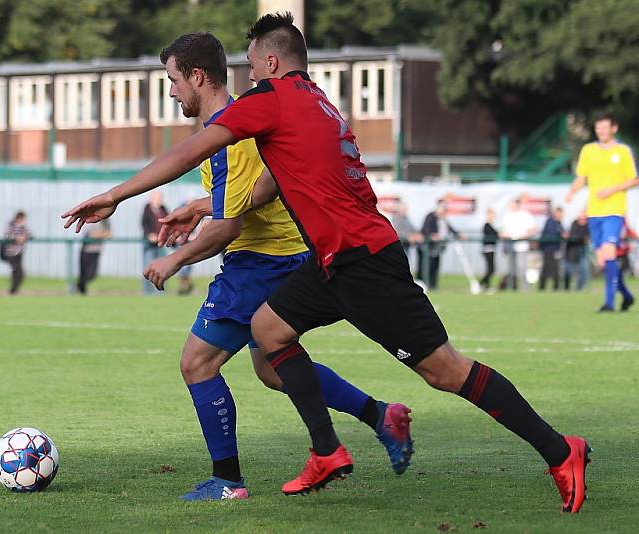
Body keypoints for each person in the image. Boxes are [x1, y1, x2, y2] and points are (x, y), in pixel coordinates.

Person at [61, 12, 589, 513]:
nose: (247, 74)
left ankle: (559, 450)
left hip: (364, 262)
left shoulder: (271, 100)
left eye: (251, 61)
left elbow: (189, 152)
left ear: (271, 63)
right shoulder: (316, 101)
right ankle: (327, 450)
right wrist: (205, 206)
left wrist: (118, 195)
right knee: (269, 331)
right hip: (329, 260)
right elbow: (272, 181)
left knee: (445, 371)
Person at [137, 32, 412, 501]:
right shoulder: (248, 118)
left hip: (258, 264)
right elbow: (260, 191)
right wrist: (204, 206)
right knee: (273, 369)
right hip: (290, 257)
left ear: (197, 77)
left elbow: (231, 227)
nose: (171, 91)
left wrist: (174, 260)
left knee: (197, 364)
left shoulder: (224, 134)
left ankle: (227, 481)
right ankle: (380, 416)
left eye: (173, 80)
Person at [566, 112, 637, 311]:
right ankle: (627, 295)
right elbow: (581, 177)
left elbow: (634, 179)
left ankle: (609, 303)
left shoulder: (622, 151)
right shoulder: (588, 150)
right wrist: (572, 192)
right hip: (594, 212)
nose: (601, 132)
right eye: (598, 128)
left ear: (614, 128)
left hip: (614, 210)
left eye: (605, 128)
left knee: (609, 253)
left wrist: (611, 190)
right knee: (603, 261)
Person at [418, 201, 458, 290]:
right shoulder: (431, 217)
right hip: (428, 247)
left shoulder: (443, 219)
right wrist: (432, 235)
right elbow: (426, 230)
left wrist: (458, 234)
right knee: (426, 266)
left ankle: (433, 285)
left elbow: (450, 228)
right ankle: (424, 285)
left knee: (435, 266)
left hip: (437, 247)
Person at [499, 197, 537, 291]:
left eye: (512, 204)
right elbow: (502, 231)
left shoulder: (525, 215)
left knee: (522, 268)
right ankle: (511, 288)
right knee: (511, 269)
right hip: (510, 246)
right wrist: (503, 235)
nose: (510, 206)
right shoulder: (507, 216)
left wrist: (524, 235)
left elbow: (533, 229)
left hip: (522, 246)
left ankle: (525, 289)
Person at [141, 191, 168, 295]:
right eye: (157, 198)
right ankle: (147, 292)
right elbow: (144, 224)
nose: (159, 200)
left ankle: (159, 292)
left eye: (160, 198)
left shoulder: (164, 209)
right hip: (149, 244)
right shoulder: (146, 209)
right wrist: (149, 235)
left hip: (161, 243)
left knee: (161, 268)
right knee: (148, 268)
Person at [76, 220, 111, 295]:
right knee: (84, 274)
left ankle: (78, 287)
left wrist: (101, 234)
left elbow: (109, 234)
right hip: (86, 251)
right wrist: (103, 234)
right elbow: (90, 234)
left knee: (92, 274)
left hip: (96, 250)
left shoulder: (105, 221)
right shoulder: (90, 220)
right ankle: (80, 290)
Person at [2, 211, 31, 295]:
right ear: (19, 218)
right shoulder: (10, 225)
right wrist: (16, 238)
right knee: (16, 271)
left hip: (19, 252)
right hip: (11, 253)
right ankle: (12, 290)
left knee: (19, 272)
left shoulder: (23, 227)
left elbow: (30, 234)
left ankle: (13, 290)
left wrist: (24, 237)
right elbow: (6, 234)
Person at [538, 206, 565, 291]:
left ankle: (554, 287)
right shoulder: (550, 222)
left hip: (555, 249)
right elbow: (552, 233)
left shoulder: (559, 223)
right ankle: (543, 287)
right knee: (548, 269)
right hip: (548, 249)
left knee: (554, 269)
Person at [564, 212, 590, 291]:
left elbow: (588, 238)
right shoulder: (574, 224)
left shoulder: (588, 226)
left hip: (582, 251)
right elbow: (570, 236)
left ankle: (579, 288)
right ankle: (566, 288)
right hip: (571, 251)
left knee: (583, 270)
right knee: (568, 270)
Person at [479, 208, 498, 291]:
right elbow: (493, 236)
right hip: (488, 249)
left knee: (491, 268)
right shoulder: (487, 225)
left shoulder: (491, 225)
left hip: (492, 249)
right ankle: (481, 283)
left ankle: (486, 285)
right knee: (491, 268)